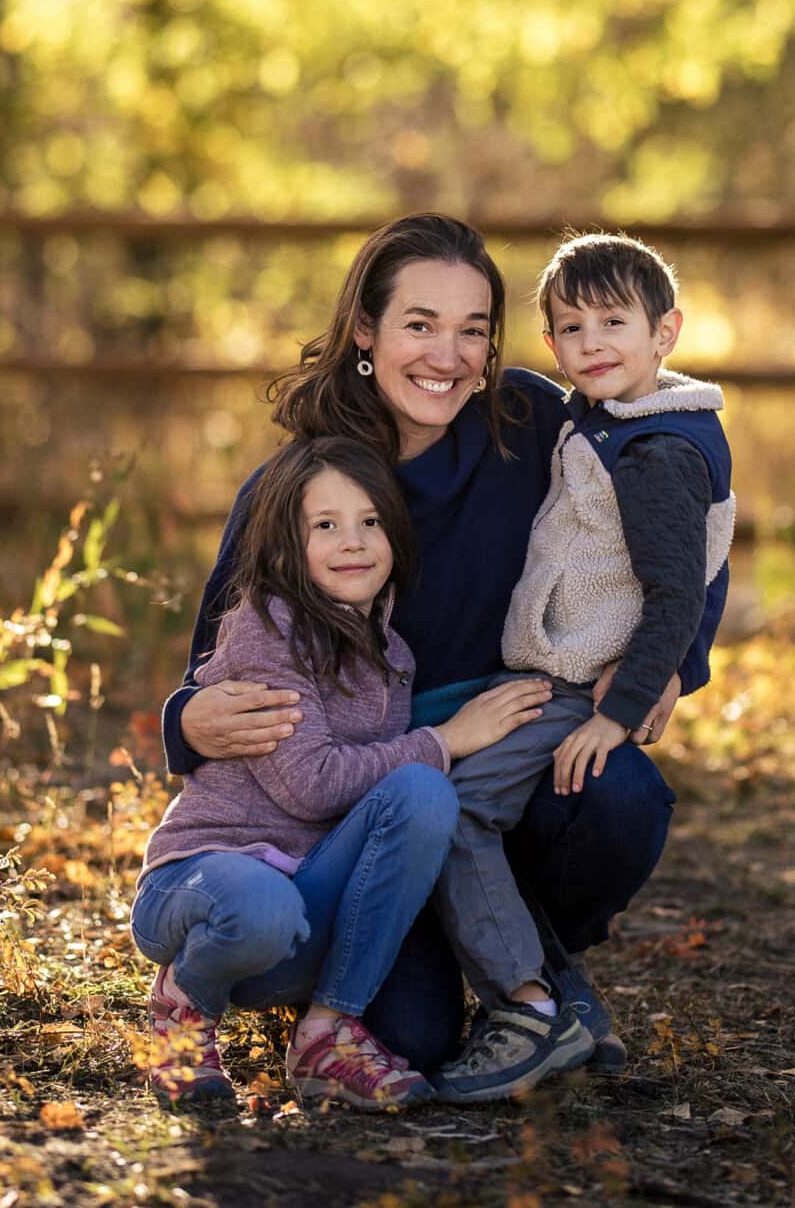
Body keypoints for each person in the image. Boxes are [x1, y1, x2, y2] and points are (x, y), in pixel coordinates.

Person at [163, 214, 715, 1072]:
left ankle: (534, 977)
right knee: (415, 1038)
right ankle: (462, 970)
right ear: (366, 332)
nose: (447, 356)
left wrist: (678, 657)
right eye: (420, 324)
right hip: (365, 809)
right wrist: (187, 724)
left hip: (505, 760)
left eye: (472, 330)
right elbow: (216, 662)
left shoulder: (532, 423)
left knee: (618, 794)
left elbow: (681, 497)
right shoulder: (303, 488)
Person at [131, 435, 551, 1111]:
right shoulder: (267, 627)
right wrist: (447, 738)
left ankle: (327, 1028)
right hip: (207, 883)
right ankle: (185, 1003)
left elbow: (382, 799)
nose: (352, 541)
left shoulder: (392, 652)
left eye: (370, 521)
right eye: (325, 525)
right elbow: (314, 783)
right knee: (263, 902)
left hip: (305, 906)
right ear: (283, 548)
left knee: (422, 795)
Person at [426, 232, 736, 1101]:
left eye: (613, 322)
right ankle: (566, 1000)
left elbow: (682, 587)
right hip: (554, 676)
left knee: (454, 813)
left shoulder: (656, 452)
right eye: (569, 327)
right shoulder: (615, 421)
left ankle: (527, 1013)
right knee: (461, 808)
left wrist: (621, 705)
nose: (591, 342)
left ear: (664, 331)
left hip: (577, 687)